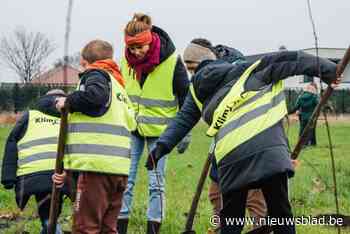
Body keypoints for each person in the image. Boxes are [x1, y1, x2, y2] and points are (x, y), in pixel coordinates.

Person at [146, 48, 340, 233]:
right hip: (269, 151)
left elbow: (182, 120)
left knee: (231, 219)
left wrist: (159, 148)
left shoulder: (197, 92)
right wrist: (330, 70)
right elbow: (293, 59)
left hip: (231, 158)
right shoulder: (250, 69)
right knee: (280, 213)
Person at [183, 38, 268, 231]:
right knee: (217, 195)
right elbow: (189, 114)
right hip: (222, 147)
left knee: (254, 198)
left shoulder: (234, 71)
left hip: (250, 144)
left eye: (193, 68)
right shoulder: (205, 78)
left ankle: (259, 228)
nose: (193, 74)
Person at [52, 39, 136, 233]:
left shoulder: (96, 74)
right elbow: (132, 122)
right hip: (118, 170)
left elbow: (94, 97)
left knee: (85, 227)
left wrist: (67, 101)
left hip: (95, 168)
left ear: (84, 62)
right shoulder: (118, 86)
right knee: (108, 228)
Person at [117, 13, 190, 234]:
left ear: (151, 40)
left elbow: (186, 98)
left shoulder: (172, 62)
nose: (136, 52)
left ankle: (153, 229)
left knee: (155, 183)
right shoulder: (125, 62)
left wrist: (183, 133)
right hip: (131, 129)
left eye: (140, 47)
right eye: (131, 48)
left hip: (161, 133)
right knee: (125, 181)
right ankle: (120, 227)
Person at [1, 89, 71, 234]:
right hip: (60, 174)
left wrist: (8, 178)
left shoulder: (30, 115)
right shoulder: (71, 116)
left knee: (47, 213)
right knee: (50, 215)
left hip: (31, 173)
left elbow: (11, 142)